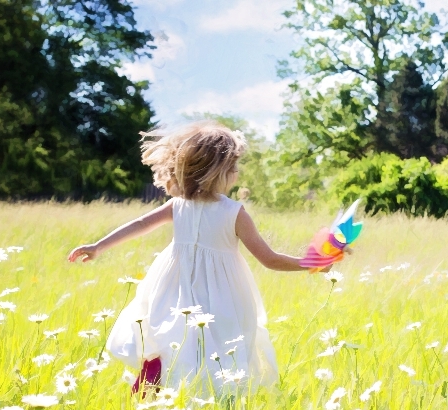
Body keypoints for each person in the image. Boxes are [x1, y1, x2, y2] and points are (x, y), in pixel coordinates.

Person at [67, 121, 315, 393]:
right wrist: (312, 263)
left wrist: (98, 246)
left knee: (172, 334)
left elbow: (139, 224)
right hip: (220, 292)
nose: (237, 173)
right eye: (232, 168)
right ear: (215, 172)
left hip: (174, 283)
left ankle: (158, 383)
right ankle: (207, 396)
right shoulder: (233, 212)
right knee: (217, 344)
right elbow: (269, 259)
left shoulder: (179, 204)